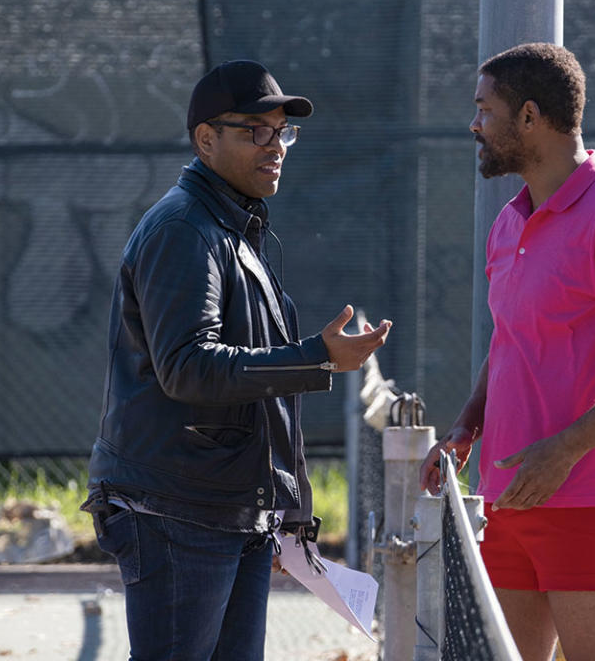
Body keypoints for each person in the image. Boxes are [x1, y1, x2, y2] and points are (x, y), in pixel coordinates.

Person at [81, 60, 391, 660]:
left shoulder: (230, 225)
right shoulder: (184, 229)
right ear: (206, 139)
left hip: (229, 512)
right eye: (254, 130)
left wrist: (285, 509)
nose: (274, 146)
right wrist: (317, 358)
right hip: (176, 511)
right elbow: (189, 366)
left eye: (282, 133)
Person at [420, 43, 595, 661]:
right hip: (508, 495)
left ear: (529, 118)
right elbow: (511, 339)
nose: (474, 125)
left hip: (594, 498)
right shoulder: (509, 220)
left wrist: (565, 450)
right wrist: (468, 425)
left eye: (484, 110)